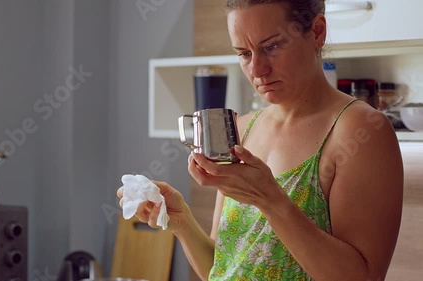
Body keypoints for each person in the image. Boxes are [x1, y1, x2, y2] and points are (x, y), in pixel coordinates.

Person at [118, 0, 404, 280]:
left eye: (272, 46)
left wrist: (270, 200)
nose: (257, 70)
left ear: (317, 32)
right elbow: (224, 268)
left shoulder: (360, 131)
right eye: (244, 53)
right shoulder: (244, 128)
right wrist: (182, 221)